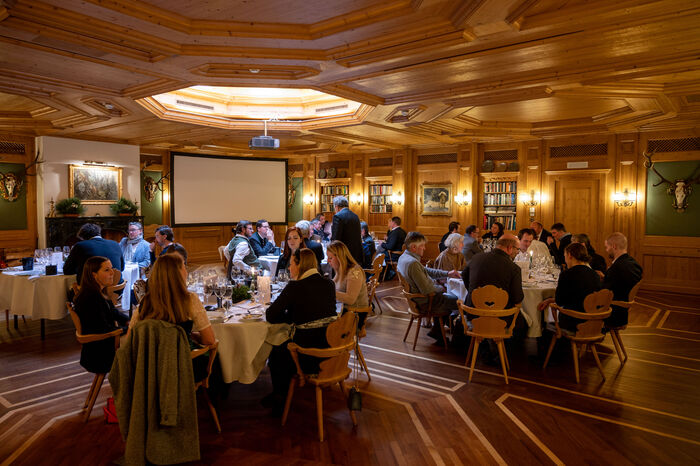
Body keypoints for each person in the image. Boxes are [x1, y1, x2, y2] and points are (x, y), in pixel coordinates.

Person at [265, 248, 338, 413]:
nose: (290, 268)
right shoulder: (328, 283)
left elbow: (270, 315)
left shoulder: (295, 286)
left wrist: (288, 318)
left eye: (291, 264)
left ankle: (279, 399)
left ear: (300, 265)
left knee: (276, 352)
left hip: (307, 354)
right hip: (330, 349)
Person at [129, 253, 215, 380]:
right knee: (216, 359)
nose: (186, 271)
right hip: (184, 367)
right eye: (184, 267)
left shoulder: (144, 303)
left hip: (150, 371)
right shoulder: (190, 299)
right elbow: (209, 340)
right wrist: (190, 337)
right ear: (178, 273)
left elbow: (131, 340)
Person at [397, 231, 460, 345]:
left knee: (448, 299)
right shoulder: (412, 263)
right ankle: (458, 340)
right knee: (460, 303)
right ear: (414, 247)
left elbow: (427, 271)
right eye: (422, 246)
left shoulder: (405, 257)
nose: (425, 248)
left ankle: (437, 330)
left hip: (418, 300)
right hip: (425, 302)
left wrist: (447, 273)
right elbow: (428, 290)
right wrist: (442, 288)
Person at [73, 256, 129, 374]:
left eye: (111, 268)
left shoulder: (98, 292)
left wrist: (129, 321)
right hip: (100, 355)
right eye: (107, 270)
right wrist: (128, 328)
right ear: (94, 275)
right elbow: (103, 330)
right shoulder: (90, 299)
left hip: (101, 346)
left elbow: (113, 312)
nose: (112, 272)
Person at [537, 243, 602, 331]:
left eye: (565, 256)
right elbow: (582, 297)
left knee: (547, 319)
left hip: (574, 321)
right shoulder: (594, 274)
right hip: (594, 321)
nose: (565, 260)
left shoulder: (567, 274)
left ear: (570, 255)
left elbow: (560, 301)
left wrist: (551, 301)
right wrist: (550, 300)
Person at [462, 234, 524, 317]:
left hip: (473, 314)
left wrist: (475, 292)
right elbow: (518, 298)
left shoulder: (476, 258)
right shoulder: (514, 268)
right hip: (501, 318)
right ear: (509, 248)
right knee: (527, 324)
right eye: (517, 249)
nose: (517, 252)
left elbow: (464, 275)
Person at [602, 232, 643, 328]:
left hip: (611, 314)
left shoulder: (617, 268)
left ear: (614, 246)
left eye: (607, 247)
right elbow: (619, 284)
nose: (606, 250)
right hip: (623, 314)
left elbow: (604, 292)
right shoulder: (633, 264)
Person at [327, 241, 369, 326]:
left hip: (355, 315)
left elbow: (350, 299)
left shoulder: (354, 271)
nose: (328, 261)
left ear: (339, 257)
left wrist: (328, 291)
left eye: (330, 258)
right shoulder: (340, 270)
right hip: (345, 310)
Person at [330, 196, 363, 266]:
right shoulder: (355, 216)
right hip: (356, 254)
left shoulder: (337, 216)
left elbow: (335, 239)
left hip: (343, 255)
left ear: (336, 207)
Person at [379, 216, 407, 280]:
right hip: (400, 254)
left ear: (394, 223)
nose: (390, 223)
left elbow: (390, 247)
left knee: (379, 255)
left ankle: (381, 274)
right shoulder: (403, 231)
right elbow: (394, 243)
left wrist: (382, 244)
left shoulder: (395, 232)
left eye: (391, 221)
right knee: (381, 253)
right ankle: (387, 273)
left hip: (394, 255)